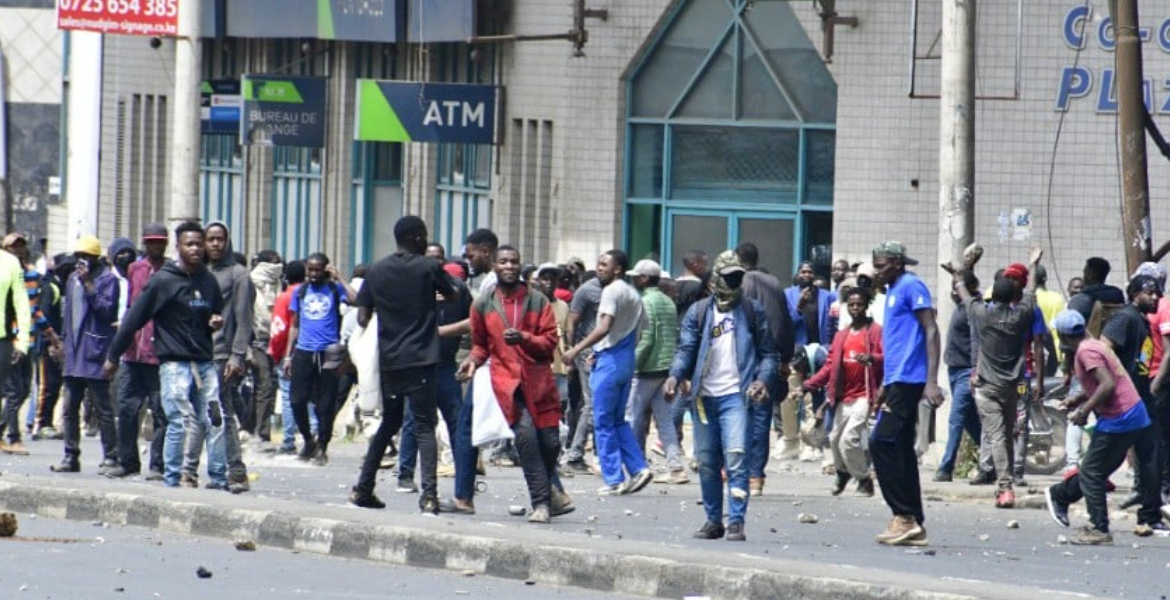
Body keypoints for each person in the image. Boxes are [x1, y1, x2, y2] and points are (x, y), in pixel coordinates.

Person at [665, 250, 777, 542]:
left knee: (737, 457)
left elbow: (768, 354)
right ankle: (713, 520)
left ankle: (736, 521)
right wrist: (675, 376)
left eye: (738, 277)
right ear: (716, 278)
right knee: (707, 461)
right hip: (703, 399)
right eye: (729, 277)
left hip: (736, 398)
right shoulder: (699, 312)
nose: (734, 282)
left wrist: (763, 380)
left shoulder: (753, 311)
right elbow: (686, 349)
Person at [105, 222, 226, 488]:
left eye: (199, 243)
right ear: (179, 247)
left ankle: (218, 478)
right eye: (189, 244)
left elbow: (215, 311)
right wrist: (113, 355)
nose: (195, 249)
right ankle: (172, 477)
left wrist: (215, 320)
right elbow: (133, 319)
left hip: (203, 363)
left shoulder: (208, 280)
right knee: (180, 420)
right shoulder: (163, 281)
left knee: (215, 419)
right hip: (174, 364)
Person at [349, 216, 456, 514]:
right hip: (422, 358)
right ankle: (429, 495)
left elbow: (362, 316)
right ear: (418, 238)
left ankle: (364, 487)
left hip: (390, 360)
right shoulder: (429, 267)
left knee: (390, 422)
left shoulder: (376, 270)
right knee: (424, 424)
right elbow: (452, 294)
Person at [459, 246, 573, 523]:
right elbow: (481, 345)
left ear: (520, 267)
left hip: (540, 382)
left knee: (550, 441)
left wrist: (524, 338)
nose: (509, 266)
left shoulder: (537, 302)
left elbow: (549, 343)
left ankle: (551, 495)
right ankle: (542, 503)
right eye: (503, 262)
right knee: (526, 438)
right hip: (507, 384)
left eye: (514, 261)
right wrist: (473, 361)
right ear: (495, 266)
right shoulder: (483, 303)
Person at [1045, 309, 1169, 544]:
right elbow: (1103, 381)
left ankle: (1099, 527)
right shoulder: (1095, 345)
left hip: (1119, 418)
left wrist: (1083, 411)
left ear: (1061, 337)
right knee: (1099, 469)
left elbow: (1107, 384)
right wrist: (1078, 399)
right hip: (1134, 414)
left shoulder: (1086, 352)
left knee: (1092, 470)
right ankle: (1060, 496)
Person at [869, 241, 943, 547]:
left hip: (911, 380)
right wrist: (885, 385)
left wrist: (931, 381)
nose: (877, 270)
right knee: (899, 449)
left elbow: (931, 329)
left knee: (881, 442)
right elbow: (898, 342)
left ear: (898, 263)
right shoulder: (891, 291)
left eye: (882, 265)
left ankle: (904, 514)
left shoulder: (912, 286)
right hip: (897, 380)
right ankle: (912, 521)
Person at [956, 252, 1044, 509]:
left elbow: (963, 294)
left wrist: (958, 275)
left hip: (987, 386)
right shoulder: (1022, 315)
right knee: (1007, 432)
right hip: (1011, 386)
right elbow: (1033, 291)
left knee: (996, 435)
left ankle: (1005, 488)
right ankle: (1006, 481)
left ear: (993, 296)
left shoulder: (982, 315)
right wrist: (1033, 264)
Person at [563, 250, 653, 496]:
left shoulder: (611, 291)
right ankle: (638, 468)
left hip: (609, 363)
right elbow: (640, 331)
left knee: (602, 421)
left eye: (604, 264)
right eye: (598, 263)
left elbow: (604, 326)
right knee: (617, 420)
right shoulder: (633, 294)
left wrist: (577, 349)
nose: (599, 268)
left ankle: (613, 478)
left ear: (618, 269)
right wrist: (603, 350)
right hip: (624, 359)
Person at [183, 221, 253, 493]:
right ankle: (197, 471)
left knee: (220, 411)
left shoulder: (238, 275)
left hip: (223, 356)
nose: (214, 244)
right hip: (196, 354)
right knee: (203, 413)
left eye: (219, 239)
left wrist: (237, 356)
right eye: (209, 239)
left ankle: (234, 471)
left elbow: (244, 320)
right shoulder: (196, 274)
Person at [105, 223, 170, 479]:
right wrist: (117, 350)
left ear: (165, 244)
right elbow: (131, 309)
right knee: (127, 409)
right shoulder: (135, 270)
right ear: (144, 244)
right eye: (150, 241)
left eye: (159, 241)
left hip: (160, 353)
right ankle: (128, 461)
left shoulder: (172, 271)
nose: (155, 245)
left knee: (161, 412)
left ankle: (158, 465)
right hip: (133, 352)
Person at [282, 252, 357, 466]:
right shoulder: (301, 291)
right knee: (297, 400)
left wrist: (339, 277)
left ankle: (323, 446)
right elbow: (294, 325)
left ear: (325, 270)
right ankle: (308, 440)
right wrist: (289, 356)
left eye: (317, 270)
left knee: (325, 404)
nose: (313, 274)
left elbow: (356, 300)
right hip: (304, 351)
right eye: (310, 270)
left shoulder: (334, 289)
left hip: (329, 352)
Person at [803, 288, 881, 496]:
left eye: (860, 304)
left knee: (849, 438)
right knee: (835, 438)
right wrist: (808, 385)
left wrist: (872, 358)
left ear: (866, 306)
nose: (856, 308)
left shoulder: (874, 331)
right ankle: (843, 472)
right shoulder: (841, 336)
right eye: (852, 304)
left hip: (864, 394)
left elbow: (886, 357)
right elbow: (830, 367)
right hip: (842, 395)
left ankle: (864, 480)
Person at [53, 236, 120, 475]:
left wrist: (90, 285)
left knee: (103, 409)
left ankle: (111, 457)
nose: (82, 261)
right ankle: (71, 456)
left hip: (94, 353)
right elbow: (68, 314)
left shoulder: (107, 279)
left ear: (96, 258)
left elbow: (106, 311)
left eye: (87, 257)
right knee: (70, 409)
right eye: (79, 256)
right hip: (73, 353)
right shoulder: (72, 279)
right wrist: (61, 342)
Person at [735, 242, 794, 494]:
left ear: (738, 259)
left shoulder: (737, 282)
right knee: (761, 416)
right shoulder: (774, 283)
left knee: (737, 413)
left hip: (742, 357)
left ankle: (737, 469)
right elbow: (786, 323)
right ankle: (756, 476)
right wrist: (785, 360)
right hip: (770, 356)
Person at [1102, 273, 1161, 509]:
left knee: (1151, 454)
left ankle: (1150, 512)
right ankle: (1063, 494)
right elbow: (1104, 350)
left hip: (1141, 398)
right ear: (1135, 294)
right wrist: (1117, 384)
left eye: (1157, 293)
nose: (1155, 298)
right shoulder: (1125, 318)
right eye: (1150, 293)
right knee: (1107, 458)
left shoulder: (1141, 320)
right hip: (1127, 400)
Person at [626, 259, 686, 483]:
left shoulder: (644, 302)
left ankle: (635, 465)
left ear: (643, 278)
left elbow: (647, 338)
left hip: (646, 370)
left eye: (635, 276)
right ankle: (676, 467)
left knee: (631, 417)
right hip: (665, 369)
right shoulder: (668, 302)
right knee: (665, 420)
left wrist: (632, 364)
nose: (632, 280)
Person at [935, 269, 992, 482]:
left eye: (958, 287)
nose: (954, 291)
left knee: (956, 418)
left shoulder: (973, 307)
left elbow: (977, 340)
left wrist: (975, 369)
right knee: (969, 421)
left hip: (967, 370)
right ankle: (993, 460)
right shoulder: (962, 305)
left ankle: (945, 467)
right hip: (954, 369)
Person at [0, 233, 52, 456]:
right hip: (12, 338)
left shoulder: (30, 274)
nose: (17, 250)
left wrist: (46, 333)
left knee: (22, 390)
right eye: (13, 247)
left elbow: (30, 308)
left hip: (23, 340)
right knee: (14, 391)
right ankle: (14, 436)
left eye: (20, 246)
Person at [781, 261, 836, 461]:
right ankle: (790, 440)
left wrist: (828, 349)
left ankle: (812, 442)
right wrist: (799, 307)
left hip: (821, 355)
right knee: (790, 397)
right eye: (803, 271)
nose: (806, 274)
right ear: (797, 275)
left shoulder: (827, 296)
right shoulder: (788, 295)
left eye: (810, 272)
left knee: (815, 400)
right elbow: (786, 324)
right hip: (796, 354)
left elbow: (833, 324)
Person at [269, 260, 312, 455]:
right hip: (310, 350)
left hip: (290, 352)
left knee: (287, 395)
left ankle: (288, 441)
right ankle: (314, 435)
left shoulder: (285, 297)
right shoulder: (310, 293)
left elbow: (279, 328)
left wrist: (277, 353)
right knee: (310, 396)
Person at [563, 272, 602, 474]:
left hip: (604, 353)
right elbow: (572, 322)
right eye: (600, 265)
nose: (601, 269)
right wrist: (572, 351)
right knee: (592, 404)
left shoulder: (617, 290)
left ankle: (593, 452)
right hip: (587, 352)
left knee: (596, 405)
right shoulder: (588, 290)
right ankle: (576, 454)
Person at [32, 254, 71, 441]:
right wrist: (50, 343)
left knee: (57, 385)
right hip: (51, 345)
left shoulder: (64, 287)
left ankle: (50, 422)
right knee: (49, 385)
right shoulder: (51, 288)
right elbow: (44, 316)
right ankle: (42, 423)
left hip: (62, 343)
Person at [246, 250, 284, 446]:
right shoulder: (250, 282)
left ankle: (251, 428)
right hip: (255, 341)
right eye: (274, 263)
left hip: (274, 340)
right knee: (265, 385)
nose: (278, 267)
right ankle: (261, 433)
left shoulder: (277, 284)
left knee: (265, 389)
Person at [1067, 257, 1125, 322]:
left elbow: (1070, 326)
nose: (1083, 276)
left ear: (1091, 274)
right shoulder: (1117, 295)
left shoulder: (1080, 299)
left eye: (1085, 272)